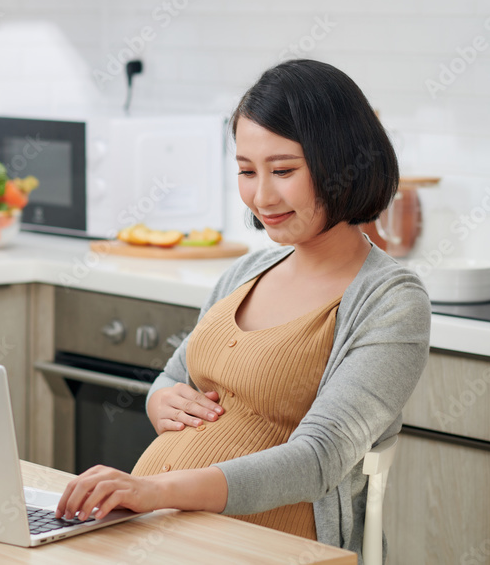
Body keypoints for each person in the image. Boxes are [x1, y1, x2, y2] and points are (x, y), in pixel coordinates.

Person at [57, 59, 431, 562]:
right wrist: (159, 400)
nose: (261, 196)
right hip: (161, 528)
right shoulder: (246, 272)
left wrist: (158, 490)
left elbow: (318, 460)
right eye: (246, 171)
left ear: (343, 162)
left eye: (282, 171)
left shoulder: (391, 300)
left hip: (274, 545)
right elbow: (172, 378)